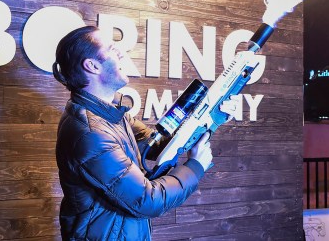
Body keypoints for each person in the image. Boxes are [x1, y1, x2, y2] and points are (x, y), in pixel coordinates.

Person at [52, 25, 215, 240]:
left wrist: (211, 117)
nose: (120, 52)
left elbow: (157, 145)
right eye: (111, 49)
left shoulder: (112, 114)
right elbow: (146, 200)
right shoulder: (91, 133)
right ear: (92, 65)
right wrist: (195, 167)